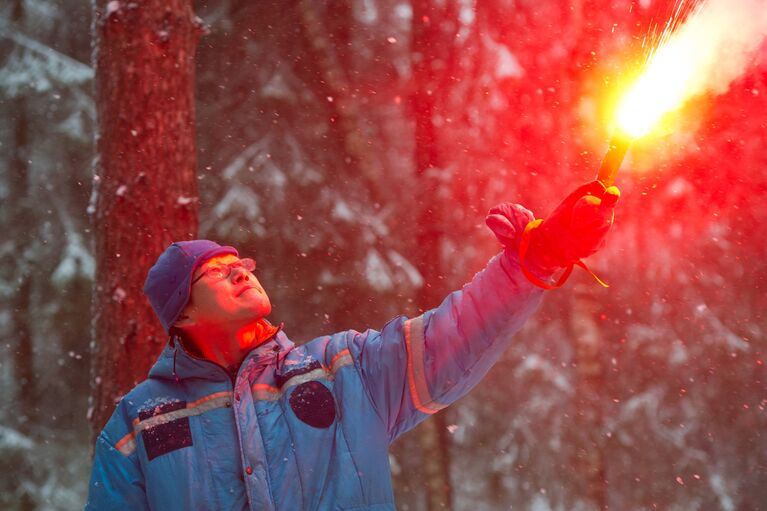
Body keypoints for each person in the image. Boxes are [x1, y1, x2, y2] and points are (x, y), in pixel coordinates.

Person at [85, 181, 619, 510]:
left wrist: (533, 261)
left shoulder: (341, 371)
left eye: (241, 263)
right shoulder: (138, 427)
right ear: (183, 312)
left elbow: (449, 337)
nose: (241, 272)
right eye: (218, 272)